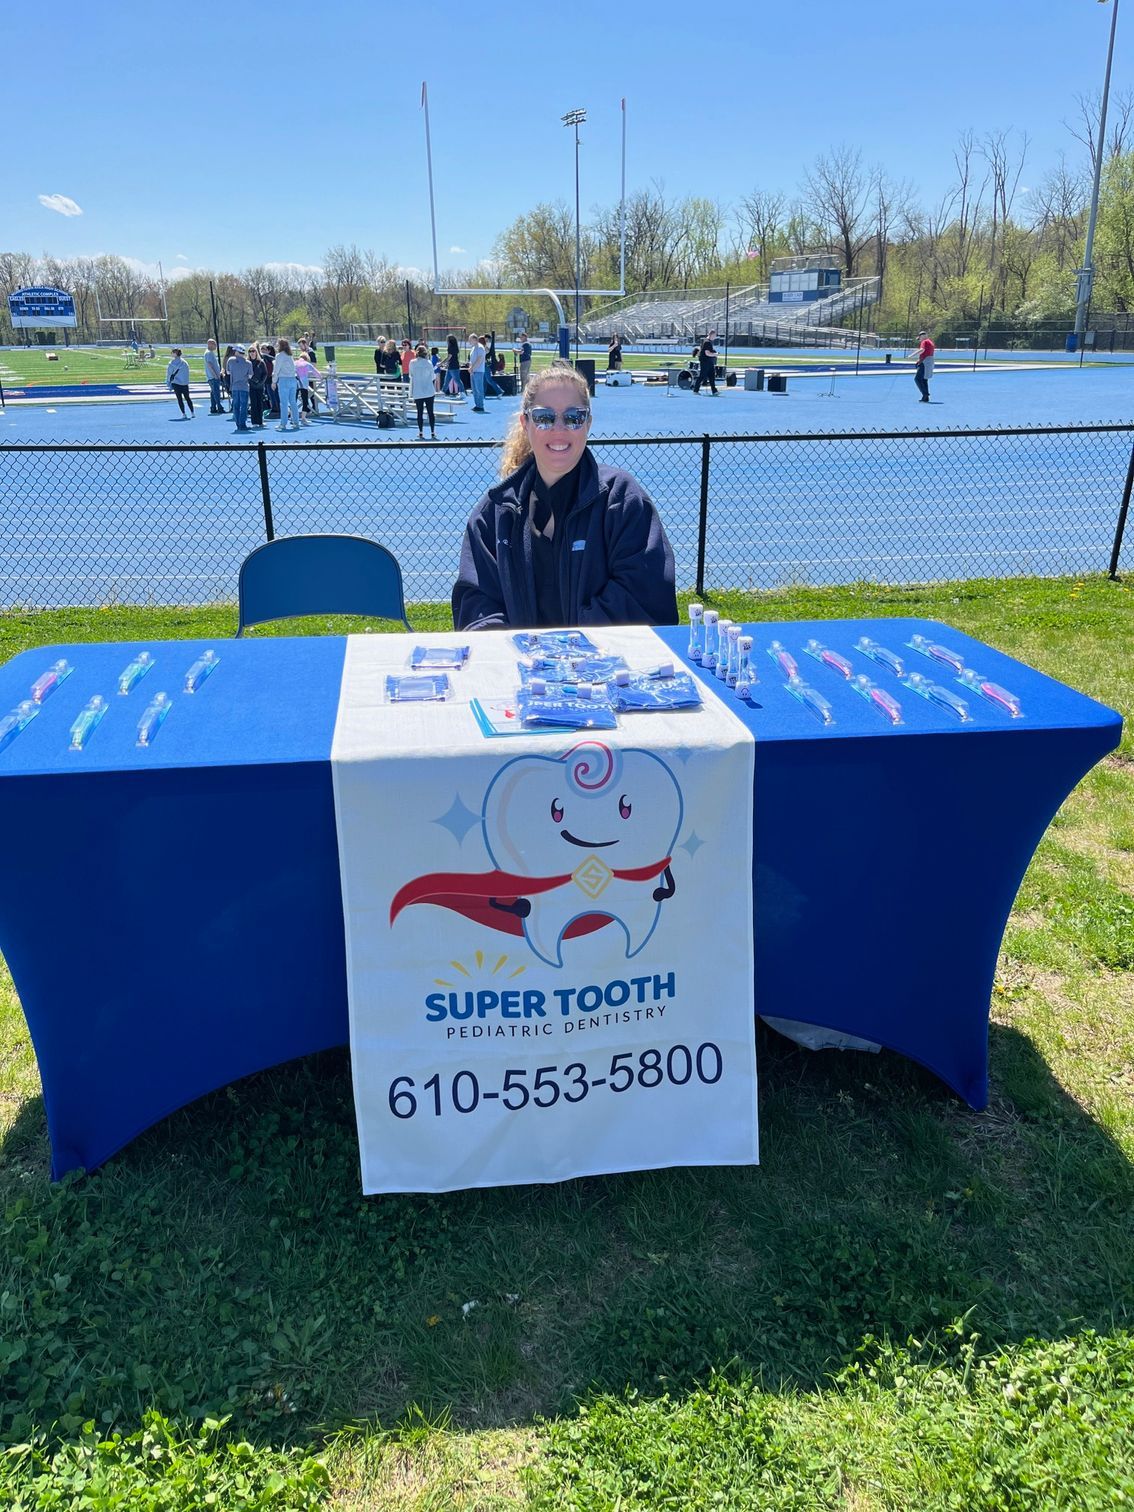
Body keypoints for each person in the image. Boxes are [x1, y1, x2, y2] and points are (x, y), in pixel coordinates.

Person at [452, 360, 678, 631]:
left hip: (600, 667)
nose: (559, 429)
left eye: (573, 418)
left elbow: (646, 595)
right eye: (544, 418)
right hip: (520, 666)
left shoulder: (621, 500)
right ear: (526, 423)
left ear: (588, 424)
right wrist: (519, 653)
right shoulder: (495, 513)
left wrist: (566, 649)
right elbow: (477, 604)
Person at [409, 343, 438, 440]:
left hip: (418, 391)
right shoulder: (428, 363)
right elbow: (433, 376)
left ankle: (420, 431)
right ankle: (433, 432)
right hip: (429, 390)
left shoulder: (412, 363)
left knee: (419, 412)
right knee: (431, 412)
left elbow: (411, 375)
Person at [273, 337, 302, 431]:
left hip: (283, 380)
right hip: (293, 379)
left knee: (284, 403)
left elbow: (276, 370)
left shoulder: (279, 356)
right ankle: (296, 422)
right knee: (293, 402)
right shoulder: (290, 355)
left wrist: (274, 381)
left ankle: (283, 423)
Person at [226, 344, 252, 431]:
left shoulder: (230, 360)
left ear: (237, 351)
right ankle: (242, 424)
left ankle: (238, 423)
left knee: (236, 406)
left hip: (234, 386)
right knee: (244, 406)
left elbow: (228, 372)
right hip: (244, 387)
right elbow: (250, 376)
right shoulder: (248, 363)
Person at [165, 348, 194, 418]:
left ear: (175, 353)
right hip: (184, 383)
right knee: (188, 398)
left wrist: (168, 382)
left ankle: (184, 413)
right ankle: (192, 412)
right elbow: (186, 373)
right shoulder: (184, 363)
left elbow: (169, 374)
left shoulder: (171, 363)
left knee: (179, 399)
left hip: (176, 383)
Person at [910, 330, 935, 402]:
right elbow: (927, 353)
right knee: (924, 379)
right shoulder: (930, 342)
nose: (920, 340)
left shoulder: (924, 341)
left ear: (922, 336)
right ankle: (925, 397)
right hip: (929, 361)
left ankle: (925, 394)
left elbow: (922, 350)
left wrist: (911, 355)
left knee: (917, 379)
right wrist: (919, 361)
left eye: (920, 338)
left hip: (925, 362)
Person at [248, 343, 269, 429]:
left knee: (260, 404)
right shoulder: (248, 363)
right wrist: (252, 382)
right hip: (252, 386)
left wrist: (260, 382)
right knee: (253, 404)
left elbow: (265, 374)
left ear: (256, 352)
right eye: (250, 351)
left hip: (260, 387)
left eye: (253, 351)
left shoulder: (261, 362)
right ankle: (254, 421)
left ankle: (260, 421)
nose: (252, 353)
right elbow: (247, 374)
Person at [203, 339, 224, 413]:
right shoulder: (209, 353)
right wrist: (215, 375)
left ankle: (213, 407)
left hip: (212, 376)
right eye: (214, 344)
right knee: (216, 392)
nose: (216, 346)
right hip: (213, 377)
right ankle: (219, 407)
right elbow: (209, 364)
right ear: (210, 344)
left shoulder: (209, 353)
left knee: (213, 392)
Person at [467, 332, 486, 411]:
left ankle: (480, 405)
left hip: (478, 371)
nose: (469, 342)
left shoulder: (480, 347)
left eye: (470, 340)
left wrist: (473, 368)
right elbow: (472, 360)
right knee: (474, 389)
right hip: (473, 370)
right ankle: (477, 404)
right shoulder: (473, 348)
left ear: (475, 339)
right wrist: (470, 367)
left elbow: (480, 359)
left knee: (479, 388)